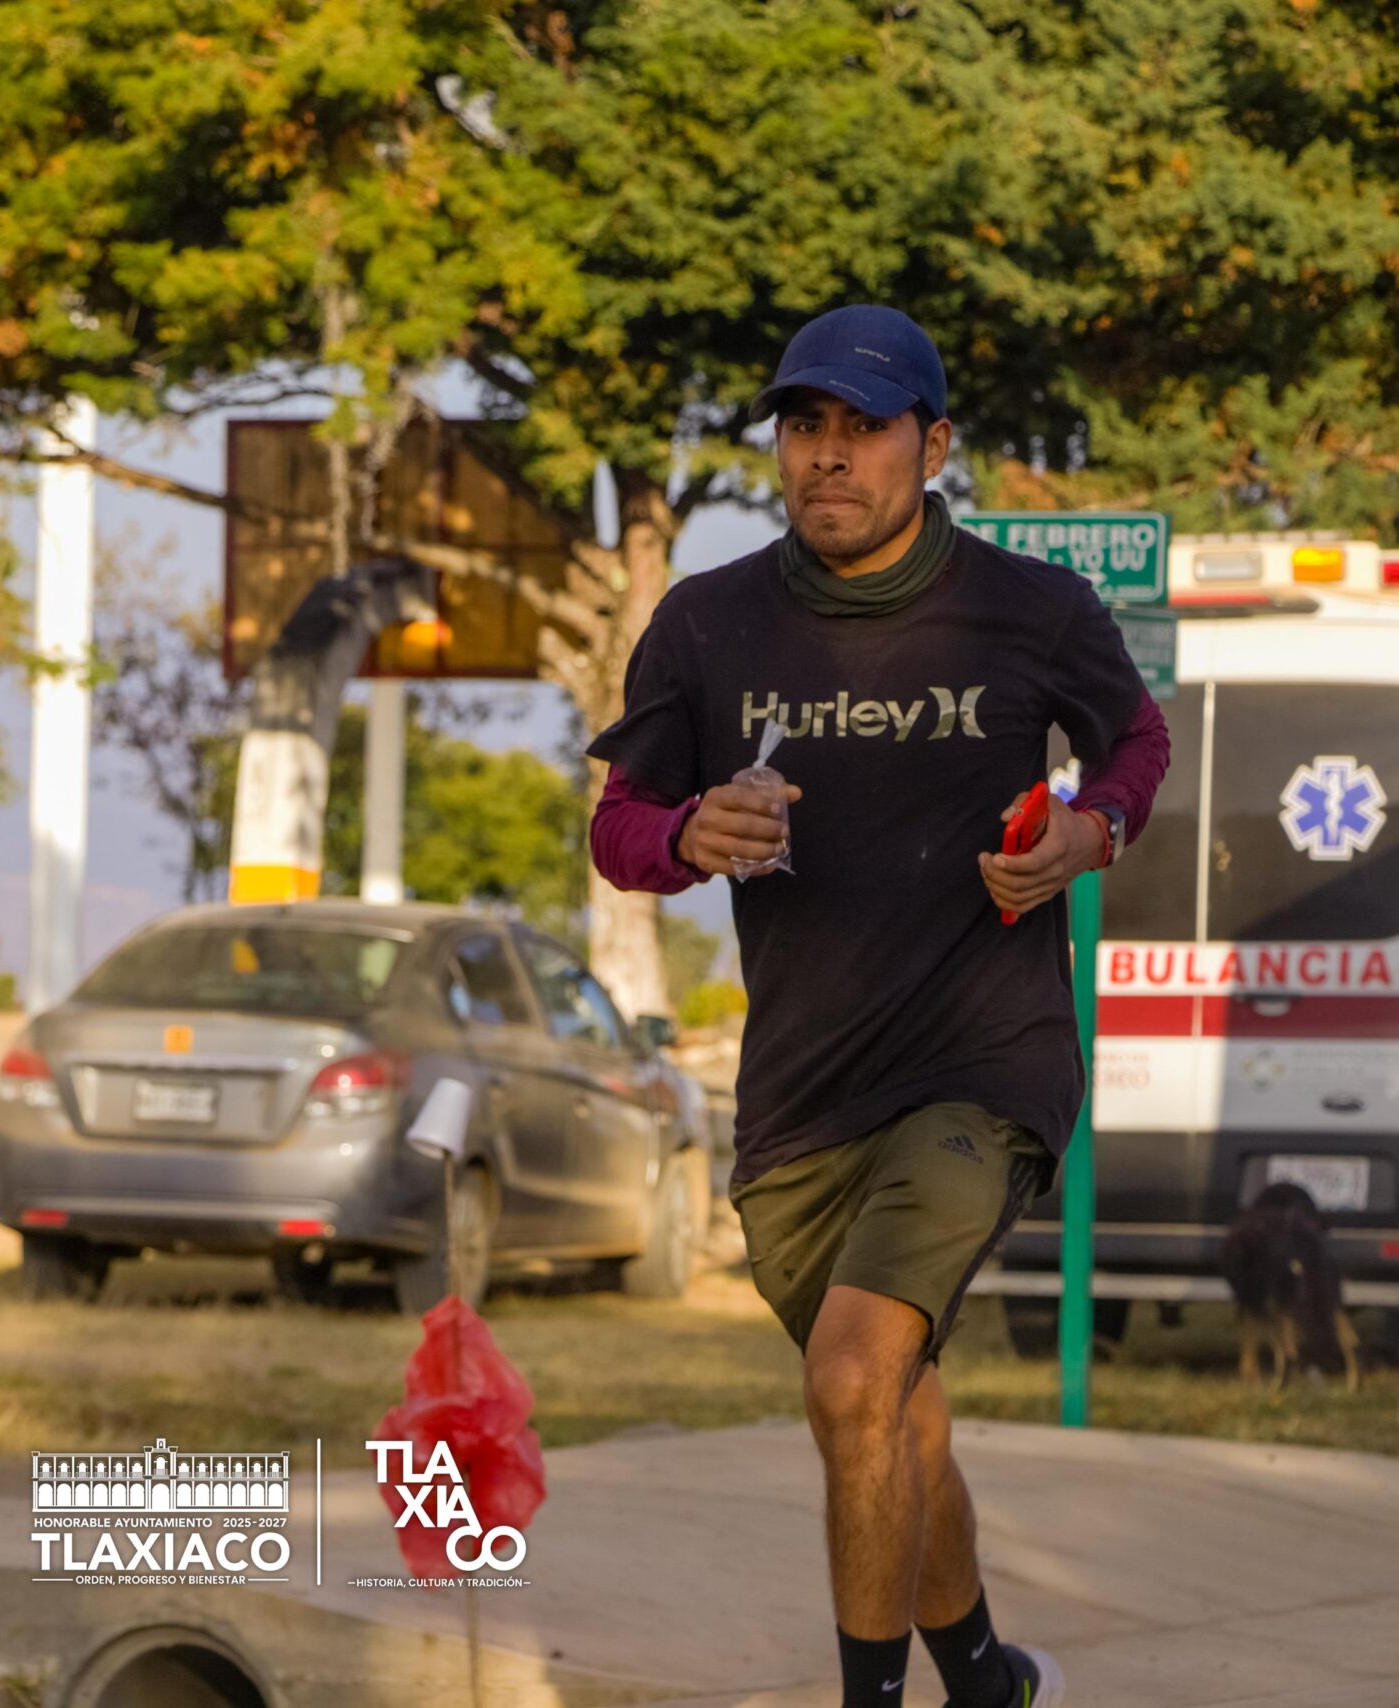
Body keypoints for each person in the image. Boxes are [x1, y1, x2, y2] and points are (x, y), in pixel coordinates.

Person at [588, 306, 1170, 1708]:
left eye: (863, 427)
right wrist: (689, 834)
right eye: (805, 427)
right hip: (802, 1098)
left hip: (984, 1062)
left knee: (852, 1380)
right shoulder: (706, 622)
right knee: (889, 1412)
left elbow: (1137, 740)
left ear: (934, 443)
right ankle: (982, 1679)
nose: (829, 456)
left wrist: (1088, 832)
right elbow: (620, 830)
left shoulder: (1031, 610)